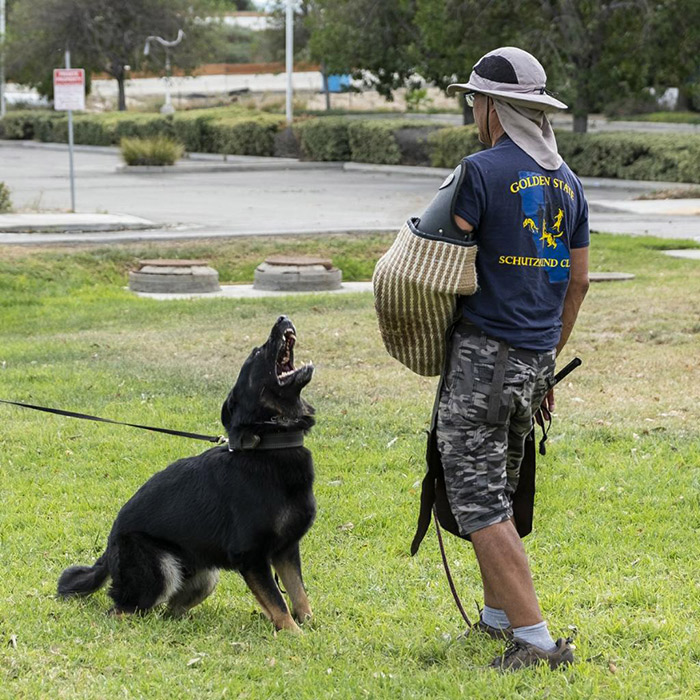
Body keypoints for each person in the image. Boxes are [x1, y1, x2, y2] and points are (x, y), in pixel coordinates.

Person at [439, 47, 590, 670]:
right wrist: (543, 357)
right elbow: (578, 282)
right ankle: (499, 616)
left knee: (478, 499)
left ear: (492, 107)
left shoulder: (478, 171)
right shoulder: (569, 181)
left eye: (475, 100)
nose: (474, 111)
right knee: (497, 486)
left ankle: (535, 640)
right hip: (533, 361)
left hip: (482, 361)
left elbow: (434, 265)